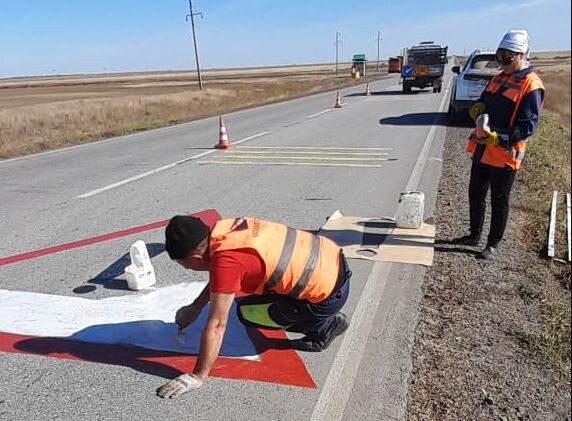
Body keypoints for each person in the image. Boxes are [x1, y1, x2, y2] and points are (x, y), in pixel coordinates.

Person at [156, 214, 351, 399]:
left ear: (196, 258)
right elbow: (222, 275)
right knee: (256, 289)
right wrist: (195, 307)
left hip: (329, 294)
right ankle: (318, 313)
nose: (189, 270)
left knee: (248, 312)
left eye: (187, 266)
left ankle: (325, 327)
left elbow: (217, 324)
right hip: (333, 260)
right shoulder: (226, 230)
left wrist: (198, 375)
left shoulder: (227, 261)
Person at [456, 29, 545, 260]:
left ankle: (492, 244)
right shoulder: (498, 77)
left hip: (505, 154)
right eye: (500, 55)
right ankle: (474, 234)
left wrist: (497, 137)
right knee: (475, 194)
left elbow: (527, 127)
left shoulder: (531, 85)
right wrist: (477, 108)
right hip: (483, 149)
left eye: (508, 57)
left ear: (522, 55)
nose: (503, 61)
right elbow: (484, 101)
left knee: (499, 200)